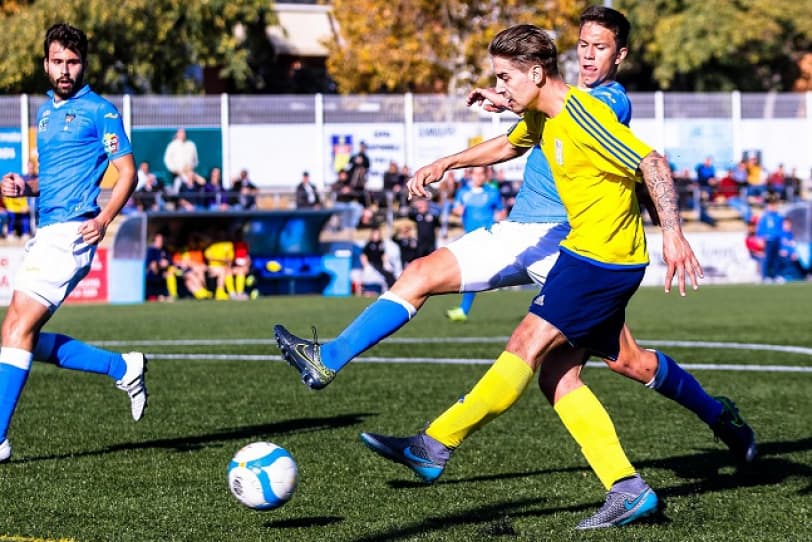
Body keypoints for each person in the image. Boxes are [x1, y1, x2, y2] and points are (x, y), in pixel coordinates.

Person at [274, 9, 755, 529]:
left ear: (618, 56)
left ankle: (435, 445)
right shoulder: (549, 110)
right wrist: (466, 142)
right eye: (582, 44)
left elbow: (652, 162)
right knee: (567, 373)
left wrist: (676, 235)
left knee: (526, 347)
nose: (589, 54)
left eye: (600, 46)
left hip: (599, 259)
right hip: (583, 254)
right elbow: (515, 138)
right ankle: (641, 475)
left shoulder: (599, 105)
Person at [0, 23, 147, 463]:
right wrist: (26, 188)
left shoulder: (99, 111)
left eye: (73, 62)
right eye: (57, 62)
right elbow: (57, 179)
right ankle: (123, 367)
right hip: (47, 230)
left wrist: (104, 218)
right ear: (45, 63)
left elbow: (128, 172)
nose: (65, 70)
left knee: (16, 329)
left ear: (84, 65)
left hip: (73, 232)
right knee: (18, 335)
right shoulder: (45, 114)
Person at [445, 166, 505, 322]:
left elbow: (502, 210)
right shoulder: (463, 192)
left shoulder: (492, 192)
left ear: (486, 176)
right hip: (470, 237)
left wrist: (500, 217)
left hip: (488, 236)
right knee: (471, 272)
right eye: (476, 173)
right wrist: (458, 210)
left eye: (481, 174)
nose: (478, 177)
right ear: (470, 175)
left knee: (473, 271)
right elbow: (456, 210)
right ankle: (463, 310)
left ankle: (463, 310)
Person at [756, 194, 784, 282]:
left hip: (777, 240)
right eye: (771, 205)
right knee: (767, 259)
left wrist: (782, 239)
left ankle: (776, 275)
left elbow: (781, 229)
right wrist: (760, 239)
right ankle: (765, 276)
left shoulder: (779, 217)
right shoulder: (765, 217)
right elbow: (760, 229)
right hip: (768, 240)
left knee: (776, 259)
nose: (773, 207)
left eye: (775, 205)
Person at [145, 232, 171, 301]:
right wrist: (158, 264)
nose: (161, 242)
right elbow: (149, 263)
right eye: (159, 240)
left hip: (162, 274)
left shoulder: (164, 250)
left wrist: (167, 263)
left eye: (161, 240)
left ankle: (166, 294)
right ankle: (155, 295)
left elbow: (170, 261)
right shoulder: (151, 250)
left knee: (169, 275)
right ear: (154, 241)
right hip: (153, 276)